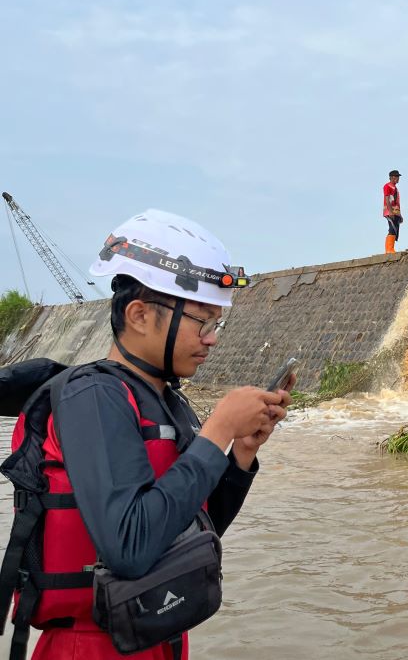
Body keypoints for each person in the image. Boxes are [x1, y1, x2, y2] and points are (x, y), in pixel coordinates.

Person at [0, 209, 293, 660]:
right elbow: (129, 547)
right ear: (139, 315)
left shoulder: (166, 400)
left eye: (217, 324)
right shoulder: (94, 396)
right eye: (203, 321)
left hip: (155, 640)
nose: (212, 338)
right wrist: (217, 429)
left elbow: (195, 526)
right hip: (93, 647)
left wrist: (240, 453)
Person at [383, 169, 403, 253]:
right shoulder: (387, 186)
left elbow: (397, 203)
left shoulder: (396, 189)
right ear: (392, 177)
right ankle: (388, 249)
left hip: (396, 212)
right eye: (397, 177)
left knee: (395, 230)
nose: (398, 179)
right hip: (390, 211)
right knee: (392, 228)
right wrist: (390, 211)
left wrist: (400, 215)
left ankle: (391, 248)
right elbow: (387, 199)